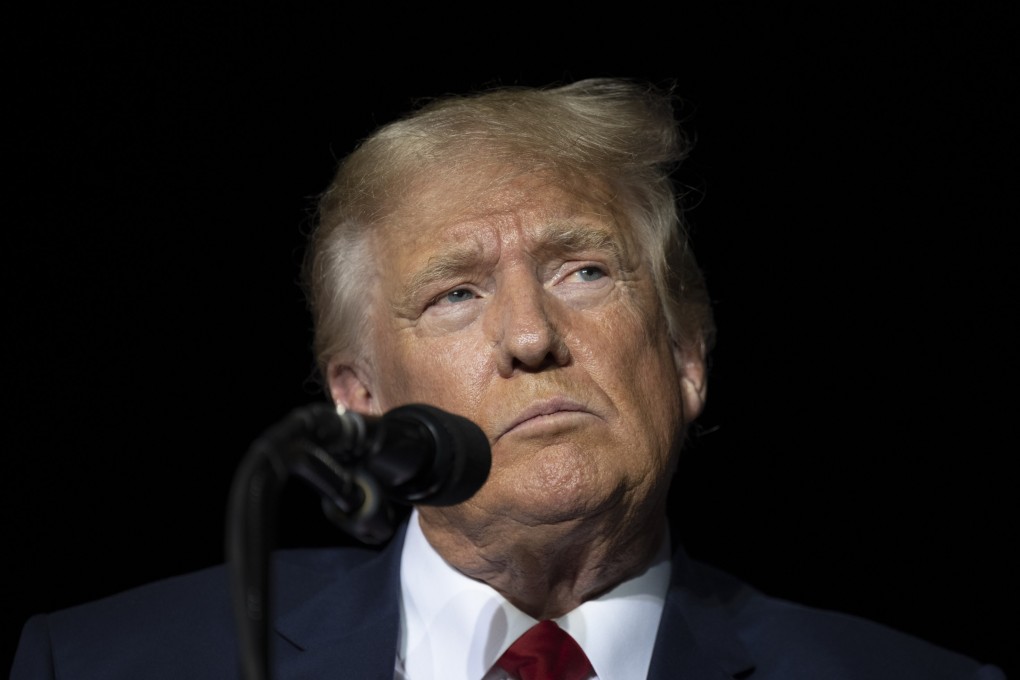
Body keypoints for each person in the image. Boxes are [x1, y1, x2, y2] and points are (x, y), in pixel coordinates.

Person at [9, 78, 1006, 680]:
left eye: (585, 270)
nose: (531, 335)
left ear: (688, 358)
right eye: (455, 293)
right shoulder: (105, 661)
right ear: (358, 398)